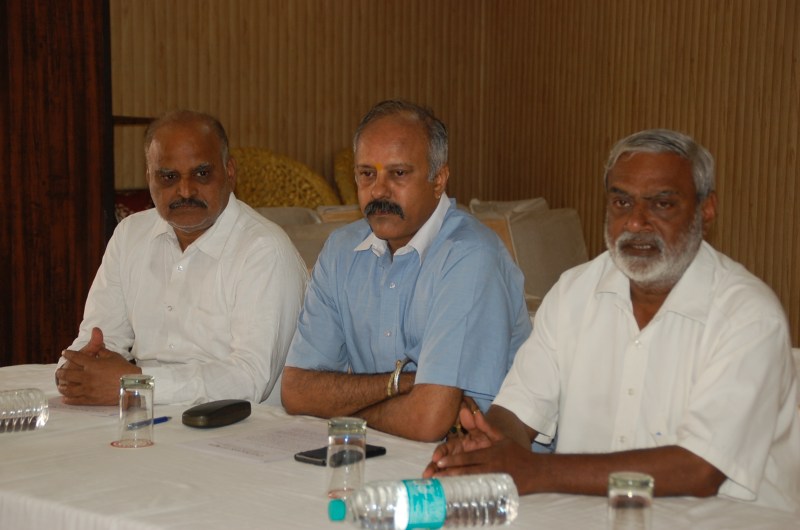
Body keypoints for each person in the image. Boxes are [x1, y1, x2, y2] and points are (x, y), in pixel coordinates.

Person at [424, 129, 800, 512]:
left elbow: (700, 469)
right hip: (590, 518)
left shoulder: (748, 315)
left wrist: (534, 471)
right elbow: (518, 412)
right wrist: (486, 448)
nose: (635, 222)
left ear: (706, 209)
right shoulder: (574, 292)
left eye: (662, 204)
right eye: (622, 202)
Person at [281, 100, 531, 442]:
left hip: (480, 460)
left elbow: (428, 421)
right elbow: (296, 391)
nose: (378, 190)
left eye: (398, 174)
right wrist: (402, 385)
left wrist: (343, 409)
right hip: (385, 450)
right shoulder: (341, 251)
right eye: (367, 174)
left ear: (438, 180)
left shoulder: (469, 256)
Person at [55, 110, 308, 406]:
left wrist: (137, 385)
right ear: (149, 178)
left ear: (229, 172)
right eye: (169, 177)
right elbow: (99, 338)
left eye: (202, 174)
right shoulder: (130, 235)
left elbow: (250, 379)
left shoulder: (263, 250)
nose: (185, 190)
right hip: (147, 414)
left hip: (241, 425)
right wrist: (78, 369)